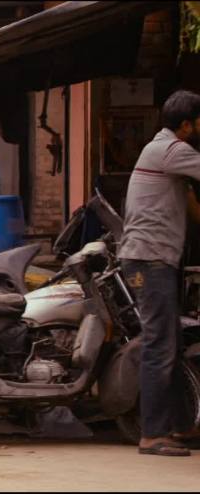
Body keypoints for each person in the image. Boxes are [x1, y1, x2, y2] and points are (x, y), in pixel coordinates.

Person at [119, 89, 200, 457]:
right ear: (187, 125)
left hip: (153, 259)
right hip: (149, 261)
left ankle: (182, 426)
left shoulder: (165, 153)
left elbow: (193, 209)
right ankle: (152, 434)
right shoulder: (172, 151)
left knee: (171, 343)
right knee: (160, 344)